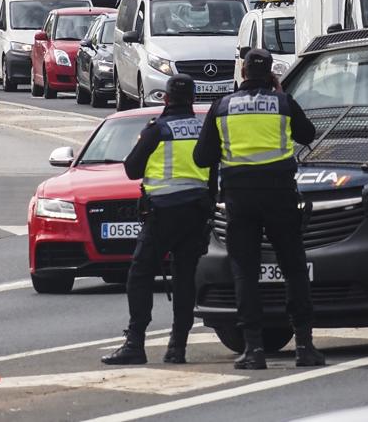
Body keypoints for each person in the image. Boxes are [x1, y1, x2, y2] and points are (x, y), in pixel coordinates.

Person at [194, 47, 323, 370]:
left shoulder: (222, 107)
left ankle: (253, 349)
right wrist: (279, 95)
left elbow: (202, 157)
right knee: (293, 267)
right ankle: (304, 346)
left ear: (243, 73)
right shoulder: (282, 102)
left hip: (240, 199)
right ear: (270, 76)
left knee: (245, 272)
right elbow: (308, 134)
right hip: (280, 195)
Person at [102, 73, 212, 366]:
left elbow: (131, 169)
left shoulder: (157, 130)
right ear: (192, 98)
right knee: (185, 278)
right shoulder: (203, 129)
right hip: (197, 214)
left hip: (163, 213)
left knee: (139, 274)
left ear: (165, 98)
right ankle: (178, 347)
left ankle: (135, 342)